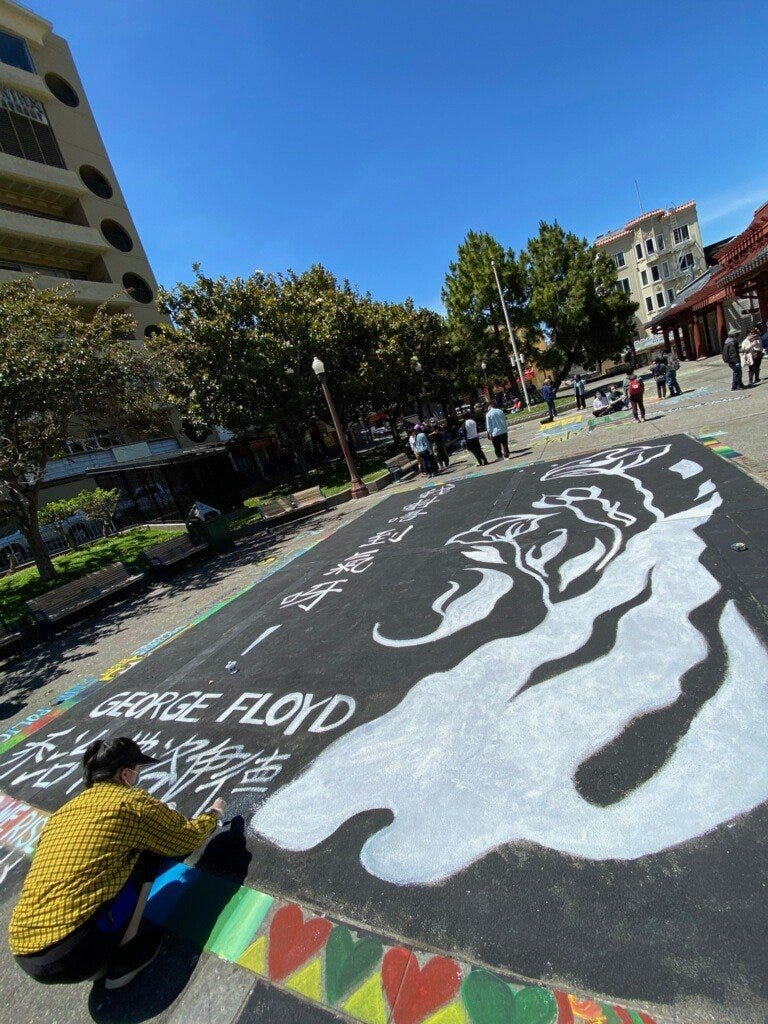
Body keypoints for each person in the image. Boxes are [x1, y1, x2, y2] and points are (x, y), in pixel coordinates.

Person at [9, 737, 224, 989]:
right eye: (137, 769)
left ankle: (98, 958)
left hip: (24, 951)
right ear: (125, 774)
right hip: (72, 950)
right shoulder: (130, 804)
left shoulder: (62, 813)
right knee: (148, 855)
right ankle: (125, 956)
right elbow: (185, 838)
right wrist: (213, 814)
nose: (138, 774)